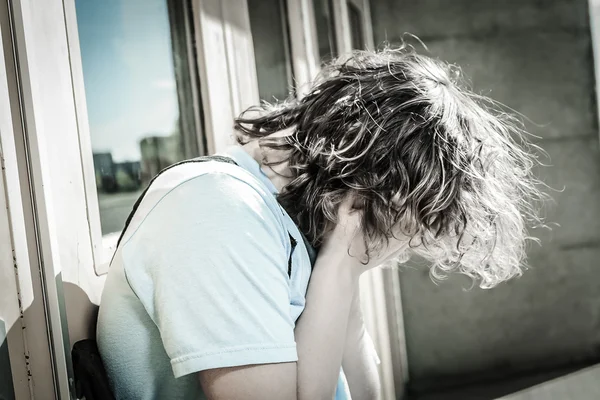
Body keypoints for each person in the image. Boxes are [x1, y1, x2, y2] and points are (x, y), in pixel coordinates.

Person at [96, 46, 544, 400]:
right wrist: (341, 266)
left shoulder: (296, 224)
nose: (402, 249)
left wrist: (341, 273)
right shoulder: (219, 211)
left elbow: (362, 386)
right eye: (407, 225)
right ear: (364, 190)